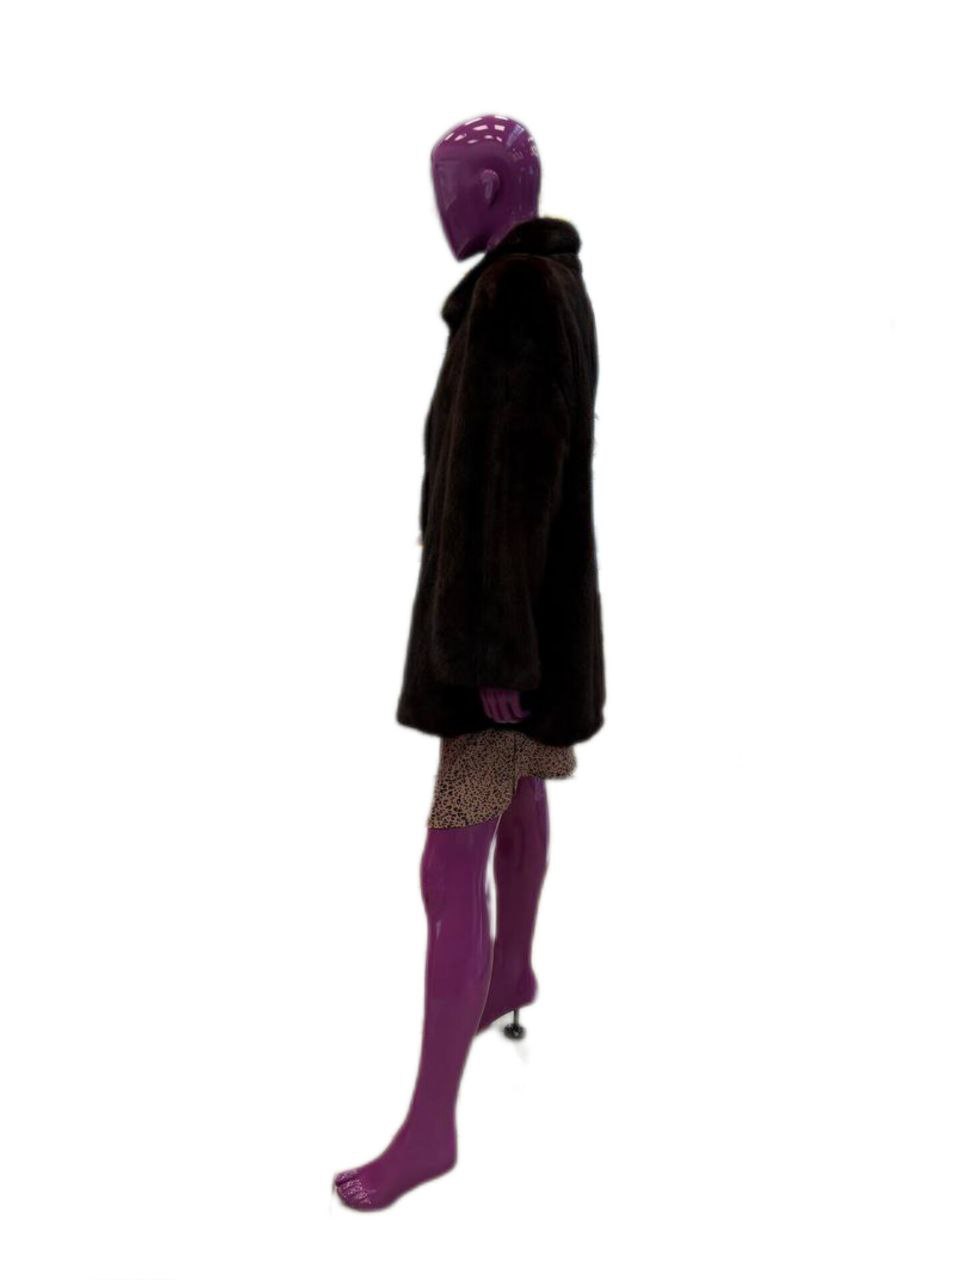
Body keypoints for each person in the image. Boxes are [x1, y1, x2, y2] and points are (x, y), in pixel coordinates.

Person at [334, 113, 605, 1210]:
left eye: (450, 184)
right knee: (520, 790)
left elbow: (517, 478)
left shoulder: (511, 296)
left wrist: (495, 645)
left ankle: (430, 1128)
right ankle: (513, 971)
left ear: (492, 188)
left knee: (449, 865)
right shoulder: (553, 280)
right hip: (531, 624)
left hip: (501, 639)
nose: (440, 205)